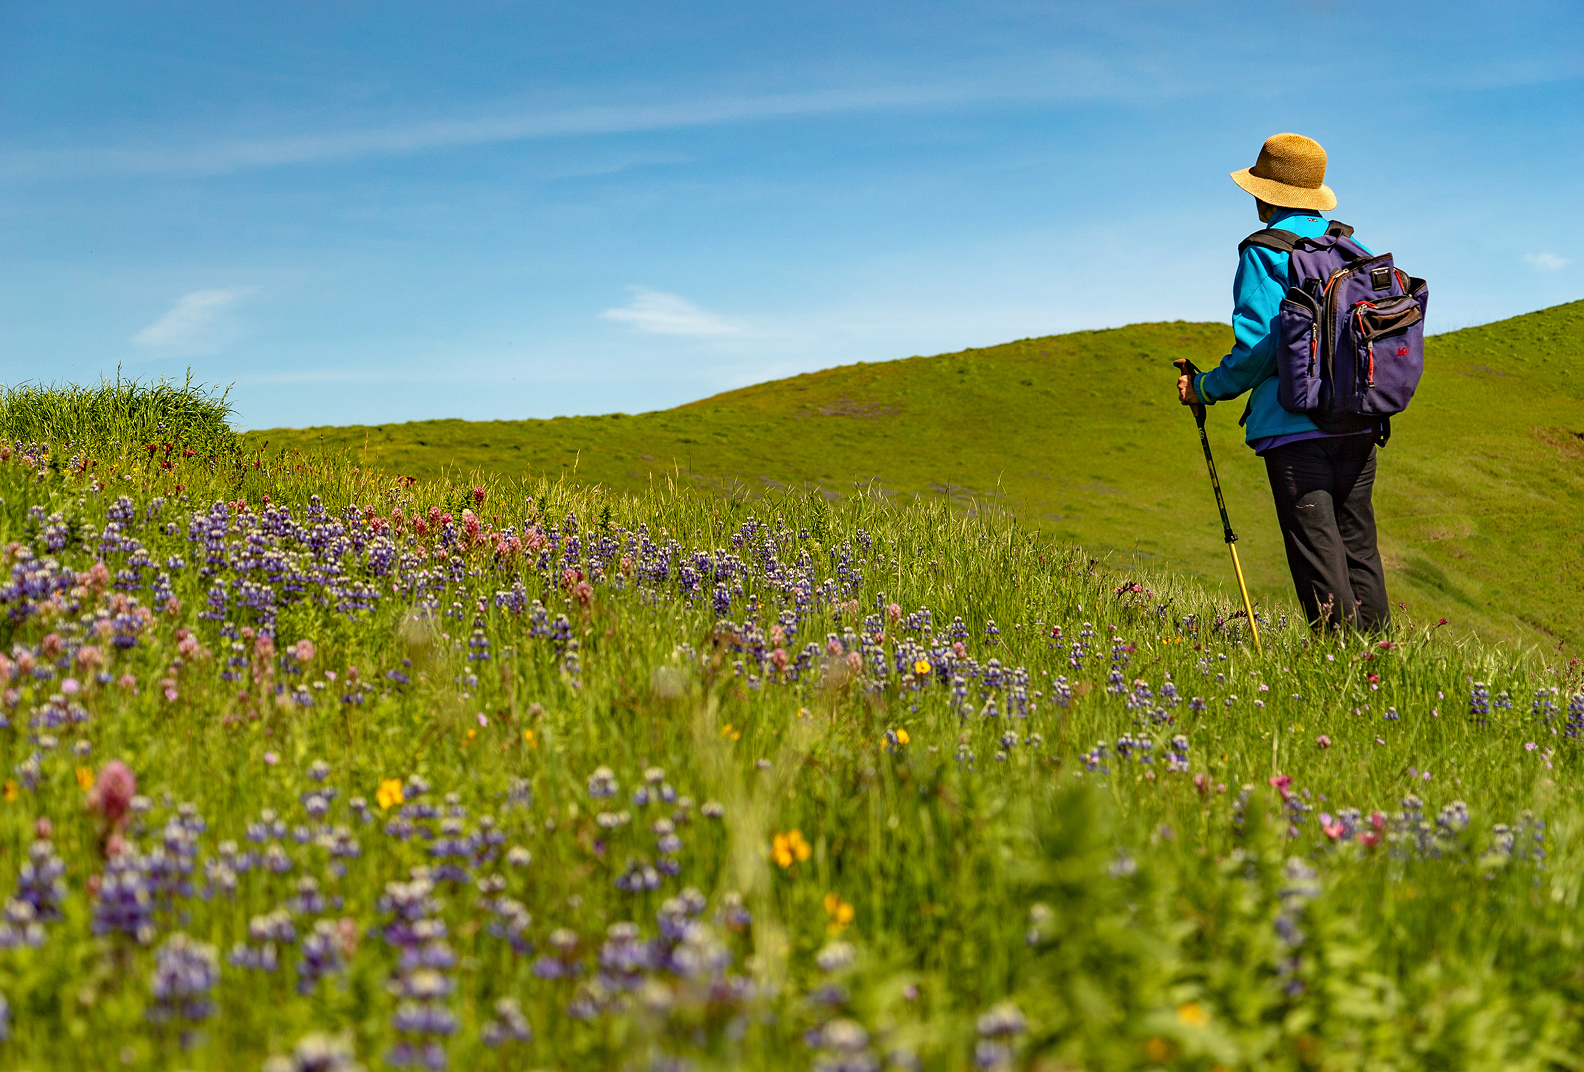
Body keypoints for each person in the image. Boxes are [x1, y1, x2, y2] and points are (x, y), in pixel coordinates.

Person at [1176, 133, 1389, 632]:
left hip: (1294, 427)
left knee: (1318, 552)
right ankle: (1383, 668)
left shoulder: (1263, 252)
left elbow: (1259, 348)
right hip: (1358, 420)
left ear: (1267, 194)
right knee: (1358, 546)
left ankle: (1340, 667)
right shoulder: (1353, 248)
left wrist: (1204, 388)